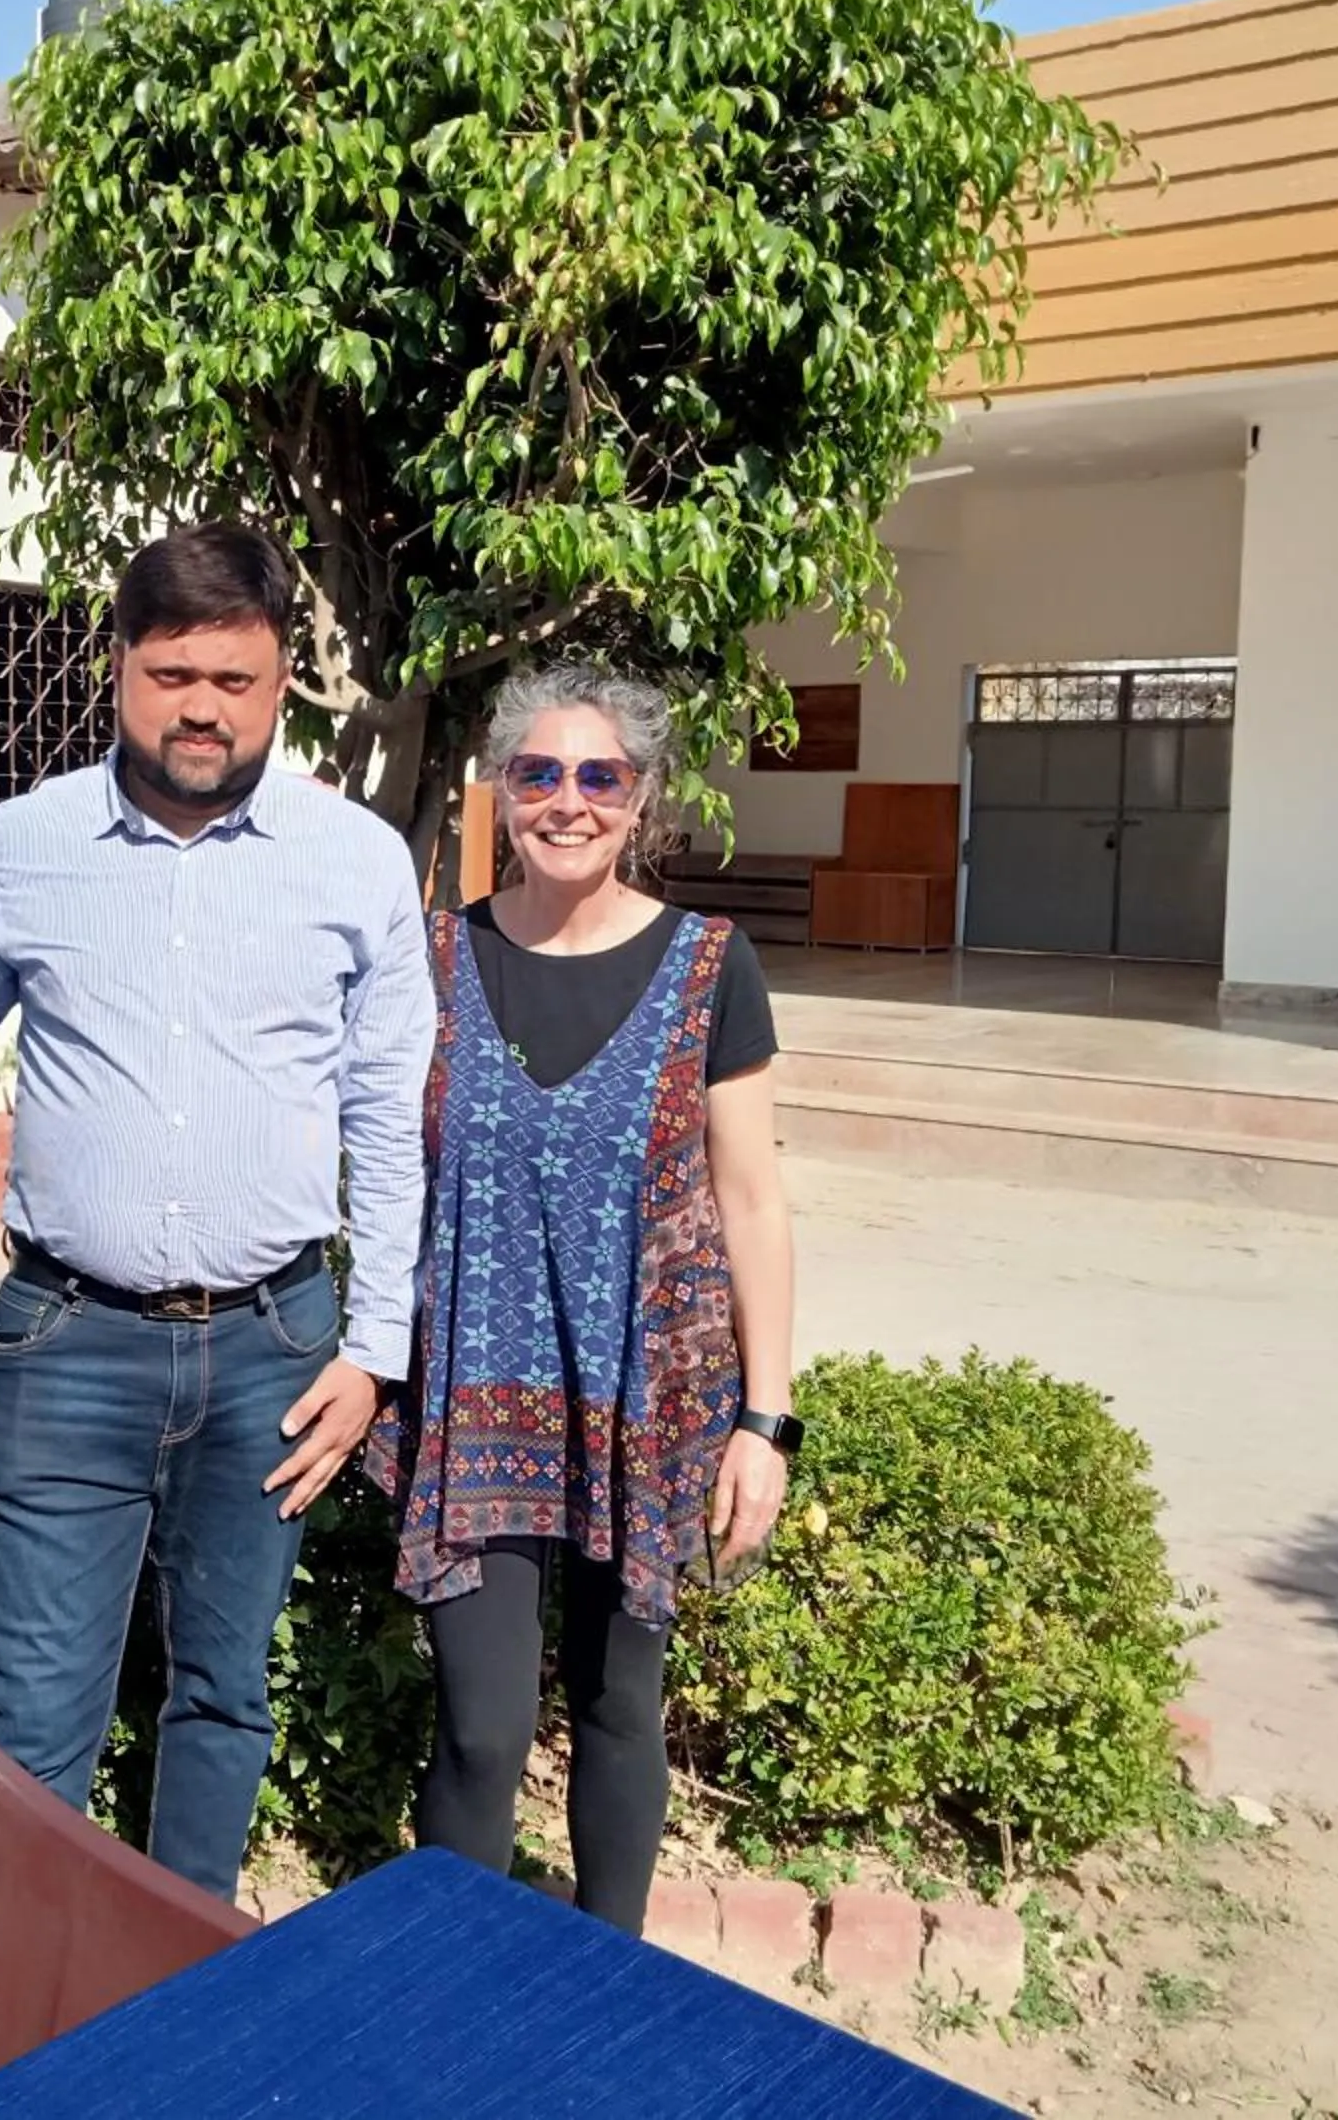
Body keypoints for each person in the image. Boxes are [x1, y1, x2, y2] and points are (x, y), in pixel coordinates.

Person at [0, 522, 438, 1902]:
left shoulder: (356, 861)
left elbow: (388, 1119)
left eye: (235, 680)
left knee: (223, 1693)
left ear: (281, 682)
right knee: (36, 1719)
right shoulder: (26, 845)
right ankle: (34, 1992)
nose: (202, 707)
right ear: (120, 669)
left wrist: (374, 1349)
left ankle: (188, 1977)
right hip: (68, 1344)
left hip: (274, 1349)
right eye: (172, 674)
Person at [366, 662, 798, 1937]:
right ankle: (457, 1986)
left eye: (600, 775)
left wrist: (765, 1424)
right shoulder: (436, 958)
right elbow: (375, 1160)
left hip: (643, 1409)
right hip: (473, 1405)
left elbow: (752, 1202)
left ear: (643, 796)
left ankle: (611, 1981)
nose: (569, 801)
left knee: (619, 1709)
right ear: (501, 790)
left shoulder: (711, 966)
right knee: (482, 1729)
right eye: (539, 773)